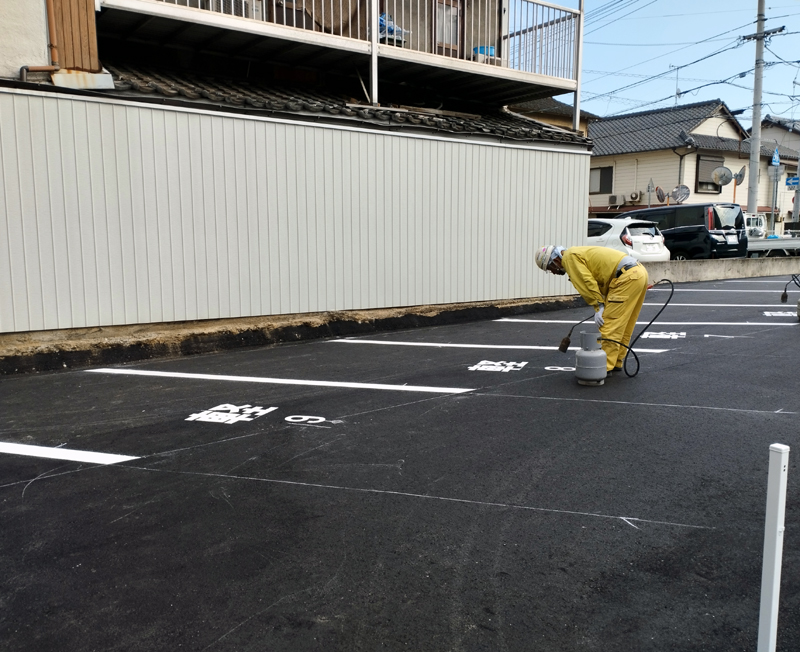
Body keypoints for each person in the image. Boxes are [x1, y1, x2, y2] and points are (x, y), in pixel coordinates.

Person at [535, 245, 649, 375]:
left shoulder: (569, 258)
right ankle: (616, 361)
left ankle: (603, 367)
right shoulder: (575, 253)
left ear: (555, 261)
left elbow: (586, 282)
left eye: (550, 269)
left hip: (626, 278)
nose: (554, 273)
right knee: (623, 324)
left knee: (609, 325)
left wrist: (598, 306)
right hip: (637, 273)